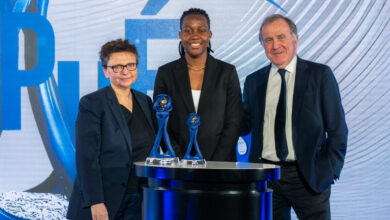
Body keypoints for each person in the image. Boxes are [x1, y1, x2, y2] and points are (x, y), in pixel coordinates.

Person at [242, 14, 348, 219]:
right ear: (262, 44)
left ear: (295, 39)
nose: (275, 46)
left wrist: (328, 170)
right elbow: (245, 124)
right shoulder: (254, 81)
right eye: (268, 40)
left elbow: (337, 129)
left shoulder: (320, 75)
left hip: (308, 177)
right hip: (267, 176)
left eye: (281, 37)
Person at [67, 39, 155, 220]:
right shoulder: (92, 103)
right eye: (117, 67)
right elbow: (86, 157)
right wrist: (95, 202)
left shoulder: (145, 102)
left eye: (130, 65)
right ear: (105, 71)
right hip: (104, 200)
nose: (125, 72)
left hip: (138, 198)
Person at [153, 8, 243, 161]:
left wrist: (214, 164)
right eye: (188, 31)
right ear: (180, 35)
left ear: (209, 34)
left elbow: (234, 122)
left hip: (220, 166)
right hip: (180, 167)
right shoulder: (165, 73)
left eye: (201, 30)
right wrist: (180, 160)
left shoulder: (227, 72)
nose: (195, 36)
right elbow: (161, 122)